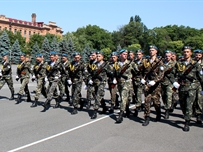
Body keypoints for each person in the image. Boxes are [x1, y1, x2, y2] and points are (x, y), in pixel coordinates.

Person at [173, 46, 203, 131]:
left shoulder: (195, 64)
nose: (186, 53)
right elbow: (172, 74)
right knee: (183, 105)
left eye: (187, 51)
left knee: (189, 104)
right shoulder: (179, 63)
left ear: (191, 53)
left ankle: (187, 122)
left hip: (192, 87)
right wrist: (174, 82)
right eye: (184, 52)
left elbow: (201, 77)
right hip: (181, 87)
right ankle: (187, 116)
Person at [140, 45, 164, 126]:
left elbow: (161, 74)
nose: (151, 51)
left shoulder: (160, 61)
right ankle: (147, 117)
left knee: (156, 102)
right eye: (150, 50)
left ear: (156, 51)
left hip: (156, 85)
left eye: (153, 50)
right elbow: (141, 71)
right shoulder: (145, 61)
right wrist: (142, 79)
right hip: (147, 84)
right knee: (147, 101)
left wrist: (155, 81)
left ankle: (158, 113)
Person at [115, 49, 139, 123]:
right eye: (124, 54)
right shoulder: (117, 64)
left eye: (126, 54)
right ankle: (127, 109)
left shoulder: (131, 63)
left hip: (127, 82)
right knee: (126, 98)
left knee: (123, 97)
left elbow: (137, 71)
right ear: (120, 55)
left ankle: (121, 115)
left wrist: (133, 78)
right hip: (120, 83)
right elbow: (115, 72)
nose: (125, 55)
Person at [87, 51, 109, 119]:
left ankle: (95, 111)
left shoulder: (106, 64)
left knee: (98, 95)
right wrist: (90, 79)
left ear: (102, 57)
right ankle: (104, 107)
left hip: (102, 82)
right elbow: (91, 73)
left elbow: (110, 73)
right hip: (95, 81)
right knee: (95, 94)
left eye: (99, 56)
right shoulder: (94, 64)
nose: (98, 57)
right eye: (97, 56)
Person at [161, 50, 176, 119]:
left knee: (168, 96)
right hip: (162, 82)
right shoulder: (161, 63)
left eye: (169, 56)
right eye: (166, 56)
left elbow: (177, 73)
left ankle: (167, 110)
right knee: (163, 96)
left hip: (170, 82)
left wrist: (176, 81)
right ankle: (167, 105)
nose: (167, 57)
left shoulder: (174, 64)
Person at [192, 49, 203, 124]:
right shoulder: (192, 63)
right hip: (192, 83)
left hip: (201, 83)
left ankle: (198, 115)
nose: (197, 56)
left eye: (199, 55)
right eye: (196, 55)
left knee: (199, 99)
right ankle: (193, 111)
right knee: (193, 99)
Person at [133, 49, 144, 117]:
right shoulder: (134, 62)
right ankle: (139, 105)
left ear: (142, 55)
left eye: (139, 54)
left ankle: (138, 107)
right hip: (135, 80)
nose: (138, 55)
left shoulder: (145, 62)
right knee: (136, 94)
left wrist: (144, 78)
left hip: (142, 80)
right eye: (137, 54)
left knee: (139, 94)